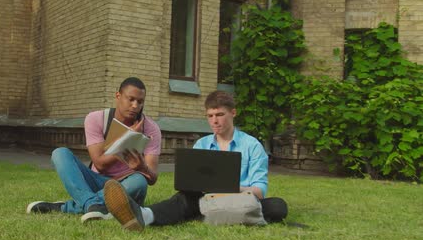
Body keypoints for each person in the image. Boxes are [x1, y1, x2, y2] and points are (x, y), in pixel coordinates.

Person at [103, 90, 288, 231]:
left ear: (233, 113)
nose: (214, 121)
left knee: (277, 206)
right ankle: (143, 215)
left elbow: (260, 191)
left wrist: (228, 187)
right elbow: (190, 183)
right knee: (185, 198)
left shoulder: (252, 146)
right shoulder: (202, 144)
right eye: (210, 116)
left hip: (239, 201)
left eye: (220, 115)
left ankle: (201, 215)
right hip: (206, 199)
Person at [27, 77, 162, 223]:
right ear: (118, 96)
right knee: (59, 153)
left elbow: (152, 178)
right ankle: (95, 204)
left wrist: (142, 167)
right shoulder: (96, 119)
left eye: (140, 101)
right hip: (97, 180)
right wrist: (127, 139)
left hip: (127, 185)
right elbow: (100, 164)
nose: (135, 105)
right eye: (131, 99)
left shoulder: (151, 129)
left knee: (140, 181)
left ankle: (71, 206)